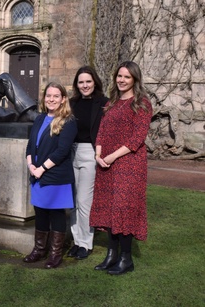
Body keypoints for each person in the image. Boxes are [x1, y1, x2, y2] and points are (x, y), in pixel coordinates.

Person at [90, 61, 152, 275]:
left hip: (129, 164)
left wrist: (112, 156)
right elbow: (101, 131)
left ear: (135, 79)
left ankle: (126, 259)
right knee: (109, 207)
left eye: (126, 77)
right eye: (119, 76)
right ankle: (111, 255)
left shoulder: (142, 103)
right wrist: (98, 154)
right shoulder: (112, 103)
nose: (122, 80)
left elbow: (137, 138)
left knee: (123, 207)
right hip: (106, 163)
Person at [23, 82, 77, 269]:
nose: (51, 99)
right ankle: (39, 250)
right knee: (40, 212)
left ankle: (55, 254)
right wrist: (31, 164)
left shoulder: (68, 121)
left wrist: (41, 168)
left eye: (56, 96)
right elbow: (31, 145)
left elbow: (62, 151)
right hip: (36, 173)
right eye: (48, 96)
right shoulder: (39, 119)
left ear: (63, 99)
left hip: (56, 175)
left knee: (56, 214)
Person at [67, 66, 108, 260]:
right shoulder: (71, 103)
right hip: (71, 153)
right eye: (81, 82)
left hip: (90, 153)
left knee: (84, 200)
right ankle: (76, 240)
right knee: (73, 200)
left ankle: (85, 243)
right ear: (77, 84)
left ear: (95, 82)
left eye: (88, 82)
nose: (85, 85)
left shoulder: (104, 103)